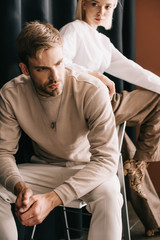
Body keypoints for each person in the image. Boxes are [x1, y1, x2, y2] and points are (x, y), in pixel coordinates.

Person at [0, 21, 123, 240]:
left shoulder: (91, 90)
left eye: (58, 63)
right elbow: (3, 152)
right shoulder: (11, 94)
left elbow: (106, 160)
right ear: (25, 69)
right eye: (42, 68)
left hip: (87, 169)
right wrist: (19, 187)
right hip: (44, 168)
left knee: (110, 193)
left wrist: (52, 199)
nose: (55, 76)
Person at [59, 0, 160, 236]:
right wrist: (95, 76)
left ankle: (153, 221)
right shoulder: (73, 29)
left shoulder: (102, 41)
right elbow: (59, 64)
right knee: (157, 99)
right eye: (95, 4)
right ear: (83, 4)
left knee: (128, 159)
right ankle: (142, 161)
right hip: (87, 106)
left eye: (108, 7)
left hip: (101, 111)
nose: (101, 12)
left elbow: (133, 70)